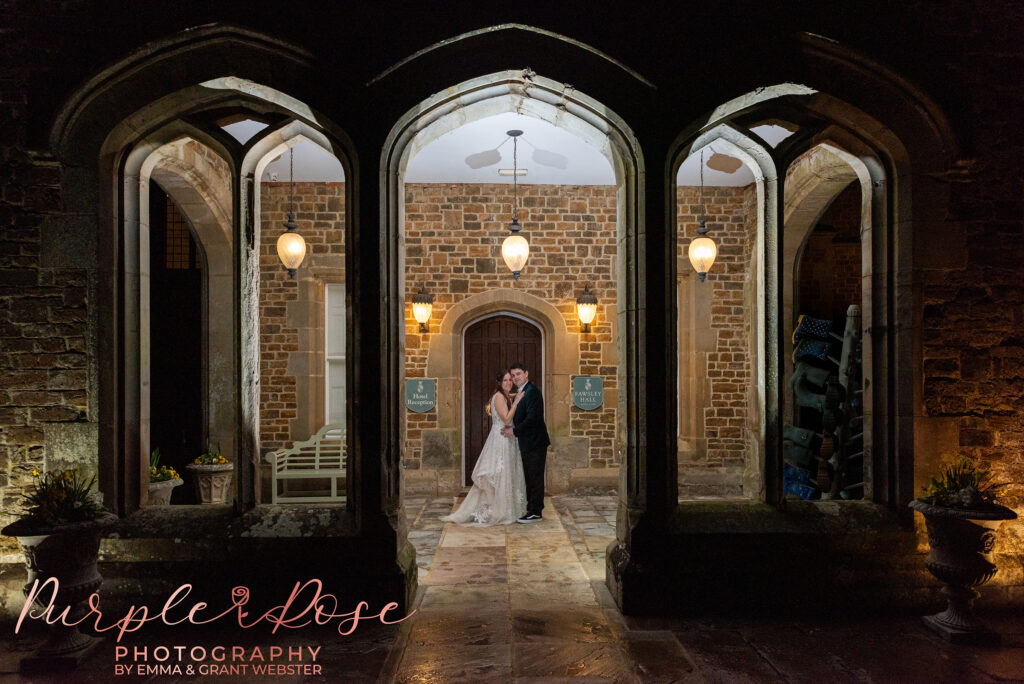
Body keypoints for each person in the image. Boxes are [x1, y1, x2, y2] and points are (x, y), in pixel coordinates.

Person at [440, 370, 527, 526]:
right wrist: (517, 401)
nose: (509, 382)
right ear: (499, 383)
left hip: (507, 440)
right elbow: (507, 419)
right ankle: (497, 510)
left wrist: (514, 397)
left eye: (510, 380)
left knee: (505, 473)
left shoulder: (504, 396)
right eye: (505, 380)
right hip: (501, 440)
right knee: (498, 473)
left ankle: (505, 507)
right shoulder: (499, 397)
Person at [501, 363, 550, 523]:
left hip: (535, 442)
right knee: (529, 476)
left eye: (518, 374)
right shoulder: (521, 392)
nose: (515, 378)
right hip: (526, 442)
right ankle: (531, 508)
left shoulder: (532, 392)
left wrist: (514, 431)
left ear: (526, 374)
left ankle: (535, 511)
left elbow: (533, 418)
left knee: (535, 477)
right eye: (513, 375)